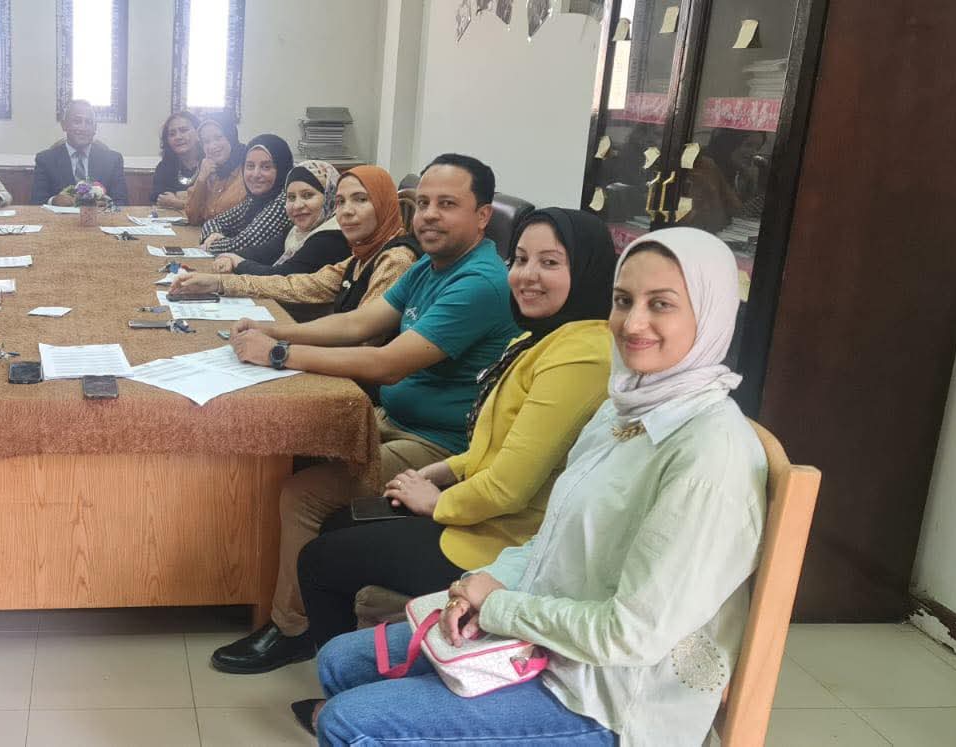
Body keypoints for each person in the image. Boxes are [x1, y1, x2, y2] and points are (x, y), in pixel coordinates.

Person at [305, 227, 766, 746]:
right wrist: (477, 588)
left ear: (710, 313)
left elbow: (631, 635)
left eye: (661, 304)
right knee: (340, 661)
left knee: (348, 720)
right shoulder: (624, 408)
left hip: (609, 700)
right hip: (547, 638)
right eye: (623, 300)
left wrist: (499, 607)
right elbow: (550, 538)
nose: (633, 322)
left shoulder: (708, 456)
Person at [209, 154, 519, 674]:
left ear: (483, 216)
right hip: (392, 421)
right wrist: (274, 331)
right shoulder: (431, 265)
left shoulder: (479, 282)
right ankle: (254, 586)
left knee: (303, 494)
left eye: (447, 204)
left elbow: (387, 362)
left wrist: (279, 354)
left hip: (440, 445)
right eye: (424, 203)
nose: (429, 215)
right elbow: (358, 323)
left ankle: (293, 630)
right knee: (294, 445)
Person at [294, 208, 617, 651]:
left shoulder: (582, 354)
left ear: (587, 270)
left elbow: (508, 489)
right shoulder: (538, 337)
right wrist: (442, 471)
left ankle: (342, 665)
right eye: (521, 259)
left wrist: (437, 503)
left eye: (550, 262)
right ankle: (355, 653)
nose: (527, 276)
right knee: (339, 521)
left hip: (504, 541)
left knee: (320, 558)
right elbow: (498, 443)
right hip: (482, 511)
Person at [170, 165, 416, 319]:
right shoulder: (361, 256)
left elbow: (362, 338)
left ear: (385, 204)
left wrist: (283, 343)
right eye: (340, 202)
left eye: (361, 199)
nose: (346, 212)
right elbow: (297, 285)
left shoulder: (395, 259)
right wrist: (218, 282)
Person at [210, 159, 346, 276]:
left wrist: (237, 262)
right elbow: (261, 252)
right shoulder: (296, 231)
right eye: (291, 197)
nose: (297, 205)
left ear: (331, 196)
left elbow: (283, 276)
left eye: (307, 195)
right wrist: (229, 257)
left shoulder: (332, 237)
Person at [199, 134, 295, 261]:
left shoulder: (284, 202)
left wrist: (211, 244)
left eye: (266, 167)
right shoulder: (255, 199)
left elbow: (241, 246)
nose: (255, 174)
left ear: (282, 169)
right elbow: (214, 221)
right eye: (250, 166)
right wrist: (213, 234)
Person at [32, 99, 129, 205]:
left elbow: (122, 203)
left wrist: (106, 203)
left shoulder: (112, 160)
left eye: (88, 122)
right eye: (77, 121)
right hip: (59, 215)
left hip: (100, 215)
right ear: (64, 125)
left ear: (95, 128)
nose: (83, 128)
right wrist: (54, 200)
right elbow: (36, 202)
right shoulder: (45, 160)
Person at [183, 113, 246, 225]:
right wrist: (201, 179)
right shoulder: (210, 170)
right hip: (208, 234)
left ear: (231, 137)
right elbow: (193, 218)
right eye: (206, 141)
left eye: (218, 138)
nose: (212, 146)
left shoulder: (248, 170)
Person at [151, 111, 201, 209]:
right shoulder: (164, 167)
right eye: (172, 134)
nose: (178, 137)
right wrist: (188, 198)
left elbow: (211, 205)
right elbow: (159, 199)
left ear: (198, 133)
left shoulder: (211, 163)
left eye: (184, 130)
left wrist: (178, 203)